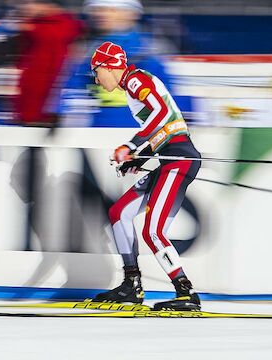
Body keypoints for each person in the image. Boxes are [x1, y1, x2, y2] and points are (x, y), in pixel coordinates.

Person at [90, 41, 201, 311]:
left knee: (153, 231)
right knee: (119, 212)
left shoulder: (136, 80)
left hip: (179, 160)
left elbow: (162, 115)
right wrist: (140, 157)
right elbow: (164, 129)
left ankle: (186, 293)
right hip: (168, 158)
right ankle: (132, 284)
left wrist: (131, 146)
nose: (96, 78)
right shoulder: (132, 88)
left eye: (96, 71)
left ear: (110, 65)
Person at [59, 0, 172, 128]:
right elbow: (74, 90)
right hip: (94, 132)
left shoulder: (149, 51)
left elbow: (165, 99)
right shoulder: (87, 50)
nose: (100, 15)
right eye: (96, 10)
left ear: (130, 13)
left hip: (138, 133)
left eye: (110, 10)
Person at [13, 0, 84, 127]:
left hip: (50, 96)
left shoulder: (65, 27)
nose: (25, 7)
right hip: (32, 93)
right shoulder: (33, 26)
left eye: (30, 3)